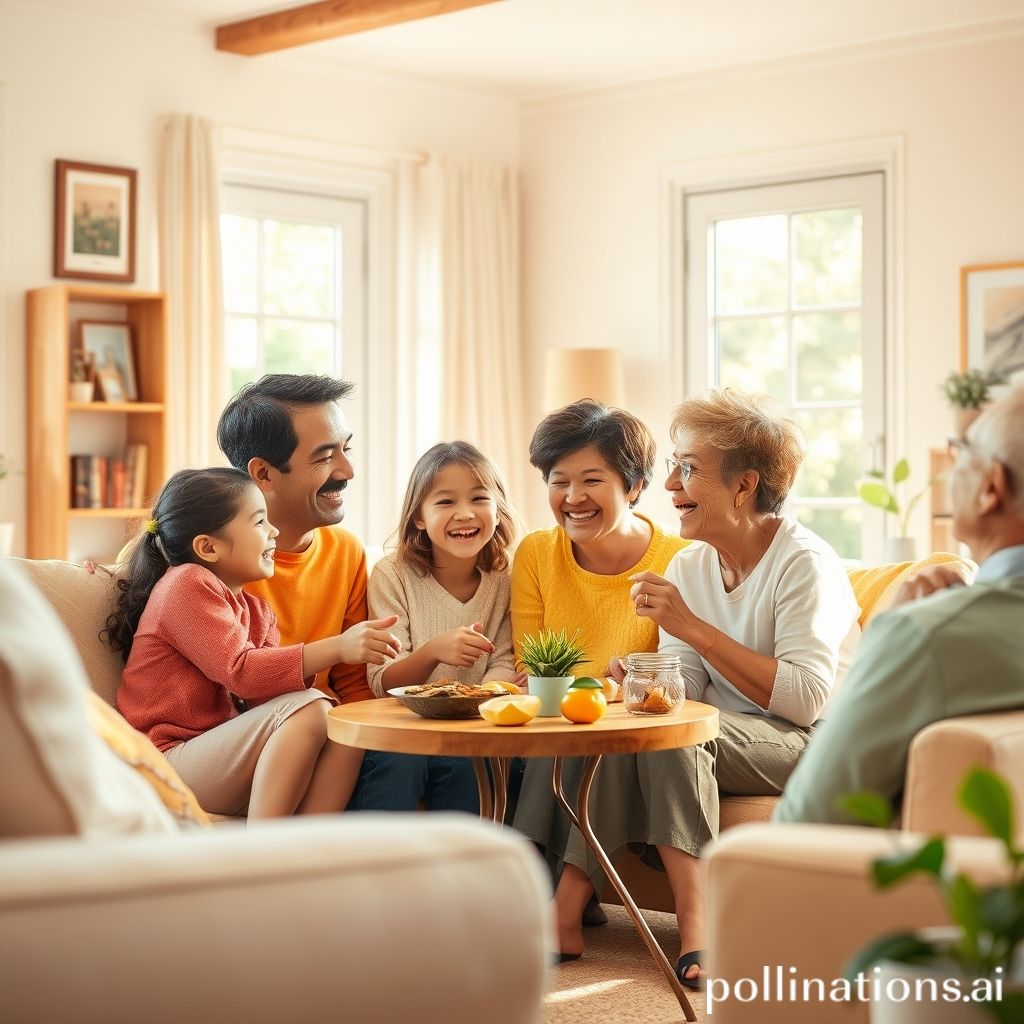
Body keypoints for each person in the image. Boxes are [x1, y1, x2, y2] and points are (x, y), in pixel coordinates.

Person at [538, 389, 860, 989]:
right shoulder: (691, 564)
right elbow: (682, 682)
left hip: (815, 742)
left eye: (688, 469)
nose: (669, 485)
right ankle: (563, 917)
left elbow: (805, 699)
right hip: (730, 735)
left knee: (681, 735)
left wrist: (692, 628)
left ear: (744, 486)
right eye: (673, 467)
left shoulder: (803, 563)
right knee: (639, 727)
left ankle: (697, 925)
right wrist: (639, 679)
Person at [777, 387, 1024, 825]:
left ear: (990, 488)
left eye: (962, 450)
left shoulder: (926, 635)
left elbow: (807, 819)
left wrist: (890, 634)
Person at [510, 400, 689, 926]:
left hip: (629, 731)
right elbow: (533, 668)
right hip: (560, 722)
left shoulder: (681, 560)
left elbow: (667, 681)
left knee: (587, 735)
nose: (572, 498)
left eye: (592, 480)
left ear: (633, 486)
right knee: (556, 734)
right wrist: (601, 678)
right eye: (558, 481)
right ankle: (543, 896)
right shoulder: (537, 554)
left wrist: (588, 683)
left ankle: (547, 900)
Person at [106, 467, 369, 819]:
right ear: (208, 547)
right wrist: (336, 648)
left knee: (344, 729)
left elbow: (265, 698)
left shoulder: (257, 610)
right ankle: (262, 850)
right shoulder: (186, 584)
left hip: (217, 759)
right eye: (260, 522)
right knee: (313, 708)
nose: (274, 531)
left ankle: (304, 850)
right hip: (166, 762)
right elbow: (241, 671)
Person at [217, 374, 399, 705]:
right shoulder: (210, 557)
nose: (348, 471)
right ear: (264, 474)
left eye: (347, 449)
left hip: (328, 729)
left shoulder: (344, 551)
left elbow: (353, 685)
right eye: (326, 456)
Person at [364, 441, 523, 811]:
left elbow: (502, 661)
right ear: (419, 516)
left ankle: (463, 869)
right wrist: (433, 651)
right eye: (446, 502)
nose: (465, 514)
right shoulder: (392, 575)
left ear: (498, 509)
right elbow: (382, 681)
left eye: (479, 498)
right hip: (406, 729)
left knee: (475, 768)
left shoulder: (506, 577)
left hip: (474, 731)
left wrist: (487, 693)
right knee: (399, 762)